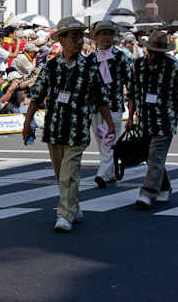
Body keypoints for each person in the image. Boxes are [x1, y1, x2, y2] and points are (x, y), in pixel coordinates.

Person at [22, 17, 115, 233]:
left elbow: (101, 98)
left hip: (77, 129)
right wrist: (27, 123)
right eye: (73, 36)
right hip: (54, 128)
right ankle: (73, 205)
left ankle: (64, 214)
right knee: (60, 173)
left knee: (69, 173)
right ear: (61, 40)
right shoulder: (52, 66)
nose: (79, 41)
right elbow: (36, 96)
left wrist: (110, 124)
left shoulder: (90, 66)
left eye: (80, 36)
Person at [125, 30, 178, 209]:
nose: (152, 55)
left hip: (165, 119)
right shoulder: (138, 65)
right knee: (150, 157)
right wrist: (130, 117)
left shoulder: (172, 66)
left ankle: (147, 193)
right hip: (144, 119)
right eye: (150, 51)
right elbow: (132, 94)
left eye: (157, 53)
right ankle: (165, 186)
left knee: (155, 156)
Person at [90, 20, 130, 189]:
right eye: (104, 33)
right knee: (101, 140)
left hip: (114, 104)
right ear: (96, 37)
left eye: (110, 33)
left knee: (109, 139)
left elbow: (130, 81)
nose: (107, 37)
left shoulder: (120, 57)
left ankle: (102, 173)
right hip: (95, 106)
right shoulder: (91, 58)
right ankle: (112, 172)